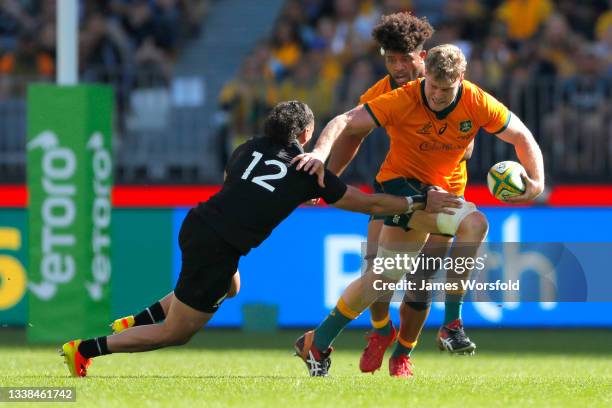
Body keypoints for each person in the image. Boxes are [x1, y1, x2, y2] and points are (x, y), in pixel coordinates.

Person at [59, 100, 455, 377]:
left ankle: (134, 319)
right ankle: (86, 349)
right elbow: (363, 202)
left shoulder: (246, 148)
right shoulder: (307, 171)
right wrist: (417, 200)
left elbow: (235, 186)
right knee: (176, 332)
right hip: (218, 245)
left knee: (231, 286)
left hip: (199, 224)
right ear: (304, 132)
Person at [292, 44, 545, 377]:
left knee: (385, 278)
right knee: (468, 228)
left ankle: (320, 341)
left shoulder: (476, 100)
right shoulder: (404, 97)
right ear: (426, 75)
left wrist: (538, 182)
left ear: (461, 79)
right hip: (399, 191)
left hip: (441, 194)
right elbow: (345, 122)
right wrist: (321, 155)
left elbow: (522, 135)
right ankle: (443, 326)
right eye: (433, 86)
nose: (438, 95)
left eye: (446, 89)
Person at [328, 12, 479, 378]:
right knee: (377, 271)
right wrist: (328, 178)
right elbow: (352, 133)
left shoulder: (447, 86)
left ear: (422, 56)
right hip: (400, 191)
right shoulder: (382, 93)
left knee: (422, 278)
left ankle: (403, 354)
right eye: (390, 58)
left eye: (405, 58)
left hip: (446, 194)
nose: (397, 66)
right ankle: (381, 331)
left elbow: (469, 141)